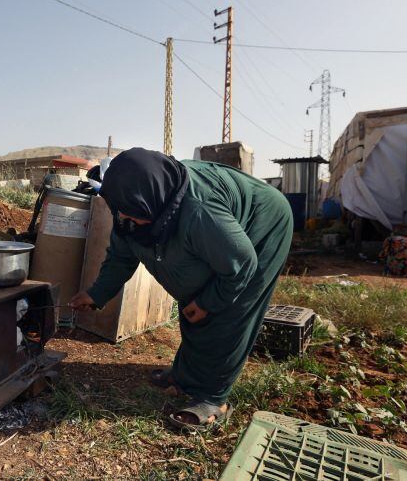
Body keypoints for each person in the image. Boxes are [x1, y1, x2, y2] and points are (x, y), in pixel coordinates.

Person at [70, 148, 293, 431]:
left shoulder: (199, 211)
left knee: (228, 313)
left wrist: (209, 302)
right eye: (121, 209)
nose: (124, 216)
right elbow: (121, 256)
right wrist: (97, 293)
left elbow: (241, 265)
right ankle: (186, 376)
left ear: (153, 200)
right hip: (222, 236)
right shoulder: (131, 204)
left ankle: (214, 398)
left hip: (262, 225)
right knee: (193, 302)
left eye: (131, 211)